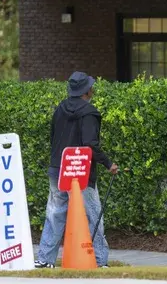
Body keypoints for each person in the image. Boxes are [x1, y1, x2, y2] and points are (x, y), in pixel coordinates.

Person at [34, 71, 119, 268]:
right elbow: (90, 144)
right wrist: (108, 164)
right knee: (92, 215)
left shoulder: (60, 109)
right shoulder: (90, 113)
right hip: (81, 172)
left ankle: (45, 259)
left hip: (58, 169)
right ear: (86, 91)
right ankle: (99, 260)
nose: (93, 88)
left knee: (55, 213)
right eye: (91, 85)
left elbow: (53, 137)